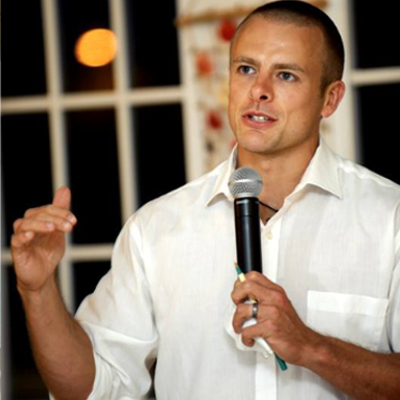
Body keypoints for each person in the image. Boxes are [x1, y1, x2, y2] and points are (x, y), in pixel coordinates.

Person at [11, 1, 400, 399]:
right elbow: (92, 388)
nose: (259, 90)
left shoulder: (390, 218)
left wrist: (311, 346)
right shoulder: (156, 228)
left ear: (330, 99)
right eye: (246, 69)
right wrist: (37, 292)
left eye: (286, 75)